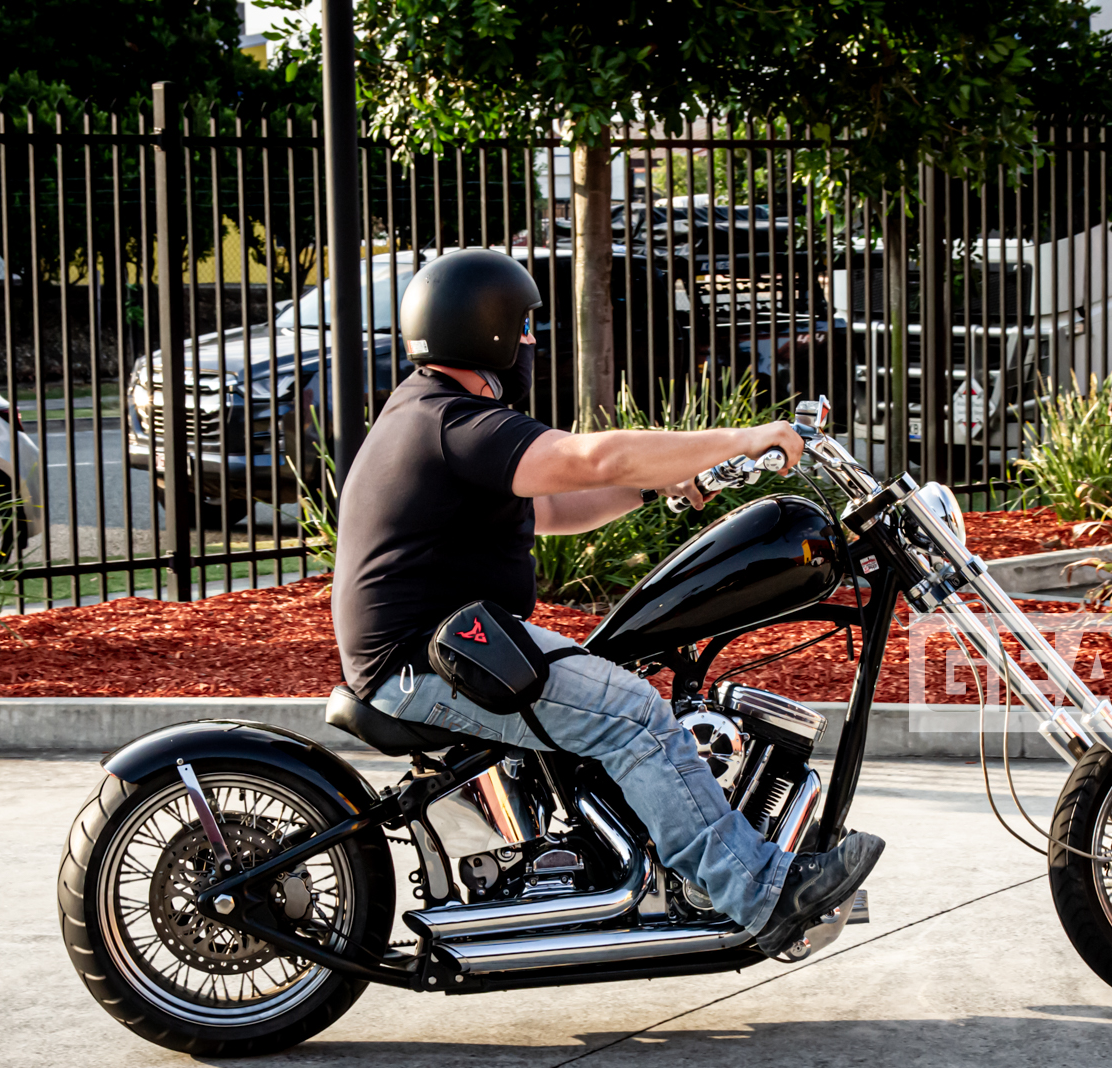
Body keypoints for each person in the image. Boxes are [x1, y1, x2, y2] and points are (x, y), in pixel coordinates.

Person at [331, 248, 882, 956]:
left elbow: (554, 507)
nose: (531, 340)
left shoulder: (430, 414)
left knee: (622, 685)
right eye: (523, 326)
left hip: (445, 648)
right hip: (425, 663)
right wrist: (746, 437)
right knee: (636, 714)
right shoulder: (455, 421)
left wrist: (660, 483)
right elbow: (595, 458)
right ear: (482, 328)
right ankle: (760, 893)